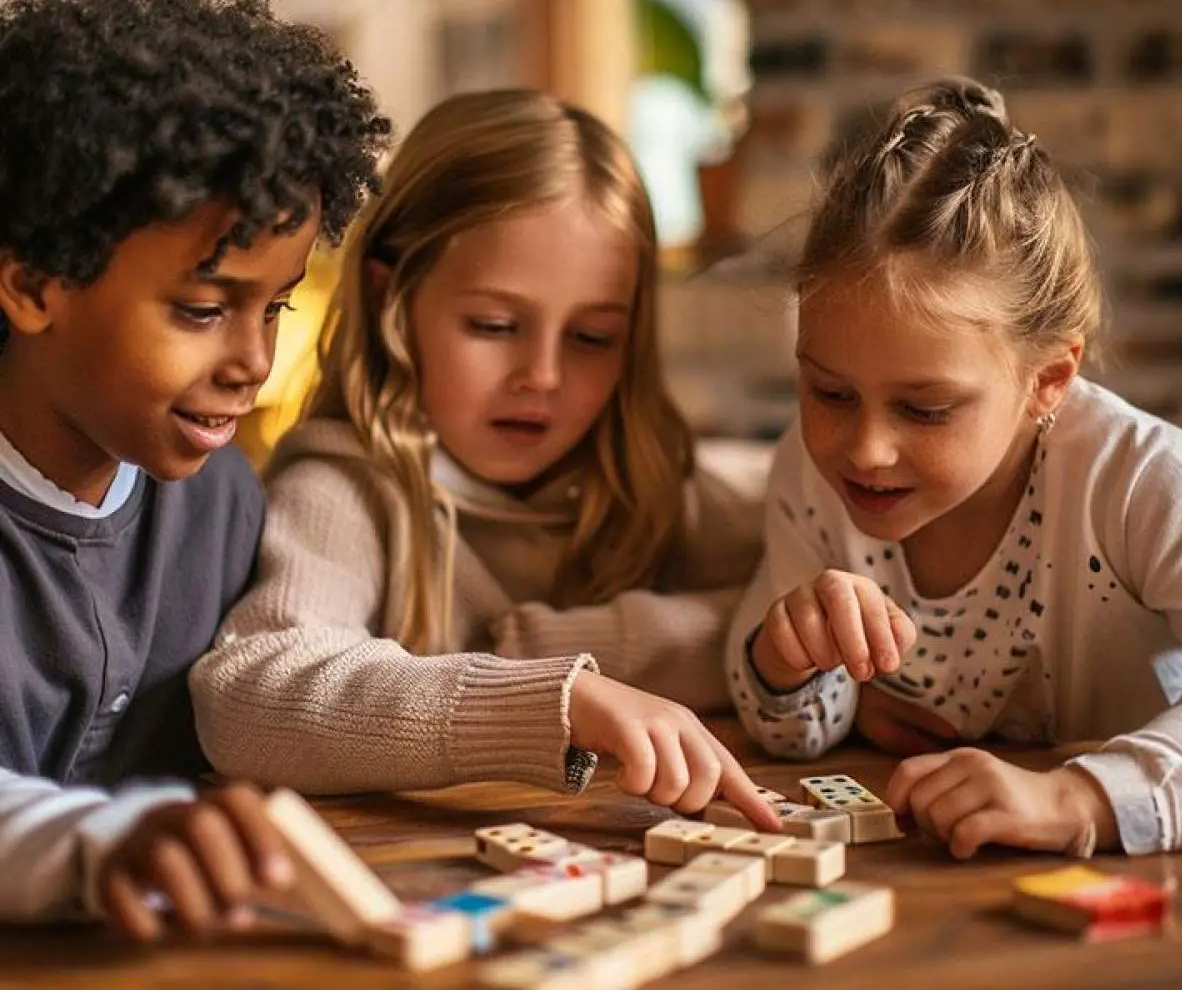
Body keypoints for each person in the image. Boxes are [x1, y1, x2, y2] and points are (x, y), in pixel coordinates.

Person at [190, 88, 776, 826]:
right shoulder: (345, 488)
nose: (544, 376)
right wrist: (558, 699)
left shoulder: (645, 481)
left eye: (592, 337)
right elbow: (247, 697)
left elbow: (825, 555)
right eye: (496, 325)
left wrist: (568, 643)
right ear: (391, 296)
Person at [0, 0, 390, 934]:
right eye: (204, 310)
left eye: (277, 304)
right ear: (37, 284)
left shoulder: (221, 501)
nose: (253, 361)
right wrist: (99, 841)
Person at [726, 75, 1182, 857]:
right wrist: (787, 660)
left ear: (1047, 379)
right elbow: (794, 732)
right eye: (830, 391)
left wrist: (1078, 798)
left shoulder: (1140, 480)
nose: (865, 449)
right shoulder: (810, 476)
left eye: (924, 409)